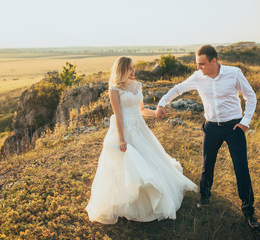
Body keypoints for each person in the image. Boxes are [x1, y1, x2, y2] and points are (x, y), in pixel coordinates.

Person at [156, 45, 260, 229]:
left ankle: (248, 211)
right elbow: (178, 89)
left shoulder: (234, 73)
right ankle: (204, 198)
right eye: (197, 64)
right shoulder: (198, 77)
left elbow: (250, 96)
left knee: (241, 168)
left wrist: (245, 122)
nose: (199, 68)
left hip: (234, 127)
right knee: (207, 165)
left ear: (214, 61)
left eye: (202, 64)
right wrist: (162, 102)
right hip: (211, 127)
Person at [85, 56, 198, 224]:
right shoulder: (114, 89)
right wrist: (122, 139)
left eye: (133, 67)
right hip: (124, 130)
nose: (133, 71)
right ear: (122, 70)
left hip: (140, 128)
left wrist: (156, 113)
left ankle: (151, 196)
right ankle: (127, 200)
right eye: (130, 68)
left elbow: (142, 110)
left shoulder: (138, 86)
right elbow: (118, 115)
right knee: (128, 165)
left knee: (149, 160)